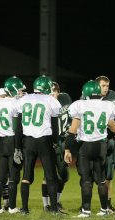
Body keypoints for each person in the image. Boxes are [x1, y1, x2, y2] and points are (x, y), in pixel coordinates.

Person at [64, 80, 115, 218]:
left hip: (86, 146)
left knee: (86, 180)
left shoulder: (80, 105)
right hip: (101, 146)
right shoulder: (108, 105)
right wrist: (107, 136)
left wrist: (67, 149)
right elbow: (113, 128)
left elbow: (73, 130)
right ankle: (104, 209)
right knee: (100, 179)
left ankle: (86, 210)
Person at [14, 74, 62, 215]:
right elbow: (55, 127)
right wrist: (55, 142)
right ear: (47, 87)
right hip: (44, 141)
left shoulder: (24, 99)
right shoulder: (51, 100)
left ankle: (24, 208)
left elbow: (19, 127)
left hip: (28, 141)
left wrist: (17, 146)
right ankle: (53, 209)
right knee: (50, 175)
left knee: (26, 175)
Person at [0, 76, 26, 214]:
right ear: (13, 90)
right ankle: (11, 207)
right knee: (13, 177)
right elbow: (18, 127)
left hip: (0, 141)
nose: (21, 92)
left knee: (1, 177)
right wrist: (18, 147)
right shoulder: (16, 104)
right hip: (12, 140)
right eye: (19, 90)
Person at [41, 81, 72, 213]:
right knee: (48, 174)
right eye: (50, 91)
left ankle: (57, 201)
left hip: (62, 141)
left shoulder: (65, 99)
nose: (53, 94)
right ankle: (46, 204)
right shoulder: (45, 103)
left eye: (55, 91)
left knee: (64, 175)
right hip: (49, 141)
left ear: (59, 92)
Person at [96, 75, 115, 213]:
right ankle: (85, 204)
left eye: (107, 86)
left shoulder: (112, 99)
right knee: (89, 176)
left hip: (109, 141)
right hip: (95, 142)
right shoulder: (88, 99)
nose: (106, 88)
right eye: (103, 86)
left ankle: (108, 205)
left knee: (109, 176)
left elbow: (114, 121)